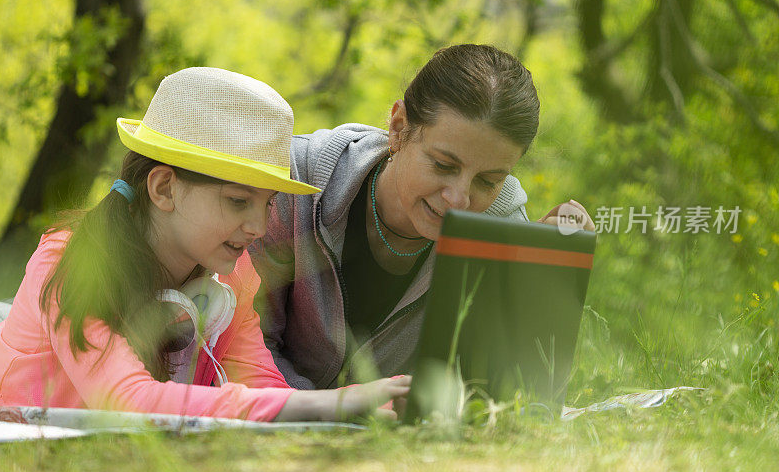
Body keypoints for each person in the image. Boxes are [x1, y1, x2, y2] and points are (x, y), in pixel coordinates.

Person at [0, 67, 409, 422]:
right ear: (163, 188)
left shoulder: (233, 279)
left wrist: (371, 401)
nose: (259, 226)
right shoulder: (69, 261)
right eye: (238, 201)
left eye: (269, 204)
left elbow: (263, 390)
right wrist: (324, 403)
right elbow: (129, 402)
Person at [248, 44, 595, 390]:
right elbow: (244, 345)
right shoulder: (296, 181)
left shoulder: (502, 227)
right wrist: (323, 411)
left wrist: (545, 285)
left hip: (392, 434)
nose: (458, 198)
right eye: (443, 165)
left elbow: (508, 391)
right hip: (277, 418)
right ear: (399, 129)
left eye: (488, 181)